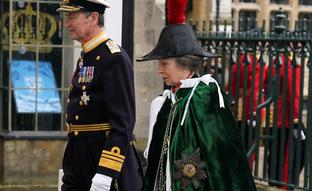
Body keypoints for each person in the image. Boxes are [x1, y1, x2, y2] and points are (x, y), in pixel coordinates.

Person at [137, 23, 257, 191]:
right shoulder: (165, 102)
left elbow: (222, 158)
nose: (159, 70)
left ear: (184, 64)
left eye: (164, 64)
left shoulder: (204, 95)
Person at [57, 0, 141, 190]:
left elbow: (123, 123)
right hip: (79, 156)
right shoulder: (87, 55)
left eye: (72, 16)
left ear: (93, 18)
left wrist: (106, 172)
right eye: (66, 17)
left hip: (102, 158)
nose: (67, 23)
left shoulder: (113, 58)